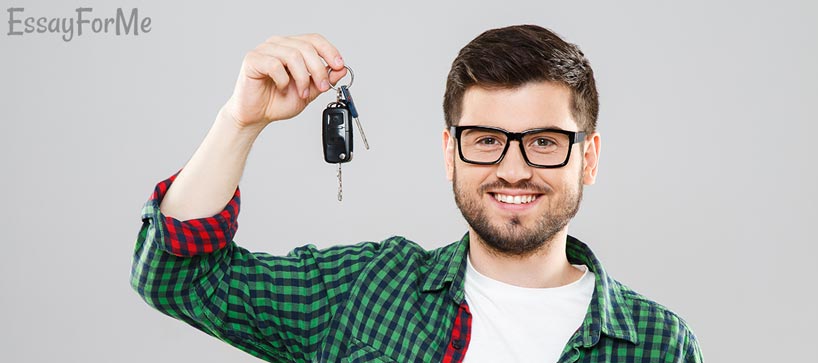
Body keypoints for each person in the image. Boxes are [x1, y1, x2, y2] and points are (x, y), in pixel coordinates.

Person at [131, 25, 703, 362]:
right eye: (486, 140)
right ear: (449, 152)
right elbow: (177, 278)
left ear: (589, 158)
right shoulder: (365, 290)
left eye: (545, 142)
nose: (513, 168)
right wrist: (240, 121)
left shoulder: (659, 344)